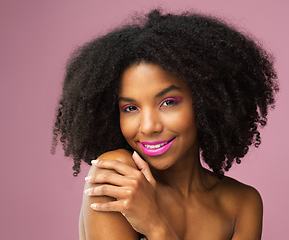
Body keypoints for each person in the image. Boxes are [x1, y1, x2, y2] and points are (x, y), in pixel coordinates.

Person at [52, 9, 278, 239]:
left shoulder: (243, 203)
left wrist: (155, 225)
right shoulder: (117, 177)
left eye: (168, 102)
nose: (149, 126)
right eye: (130, 108)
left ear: (205, 102)